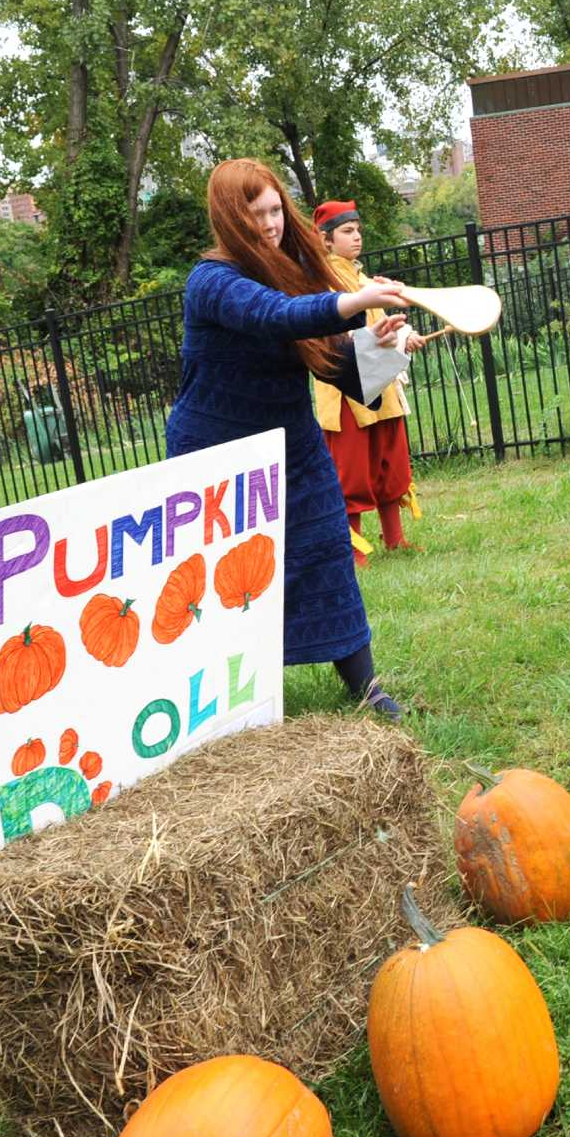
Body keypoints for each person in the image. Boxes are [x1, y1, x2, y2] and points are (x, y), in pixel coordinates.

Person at [165, 159, 413, 719]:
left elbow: (329, 362)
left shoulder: (287, 269)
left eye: (277, 209)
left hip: (291, 446)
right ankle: (226, 702)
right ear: (230, 219)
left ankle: (368, 688)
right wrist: (356, 301)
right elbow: (276, 317)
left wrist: (376, 342)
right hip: (216, 457)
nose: (272, 224)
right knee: (225, 583)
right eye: (257, 215)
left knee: (328, 552)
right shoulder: (211, 282)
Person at [309, 199, 427, 563]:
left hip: (381, 377)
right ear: (326, 240)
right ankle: (356, 552)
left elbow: (379, 324)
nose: (356, 237)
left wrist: (403, 333)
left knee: (390, 460)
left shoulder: (362, 277)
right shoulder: (321, 279)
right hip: (345, 387)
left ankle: (395, 538)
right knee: (352, 469)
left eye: (358, 229)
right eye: (347, 231)